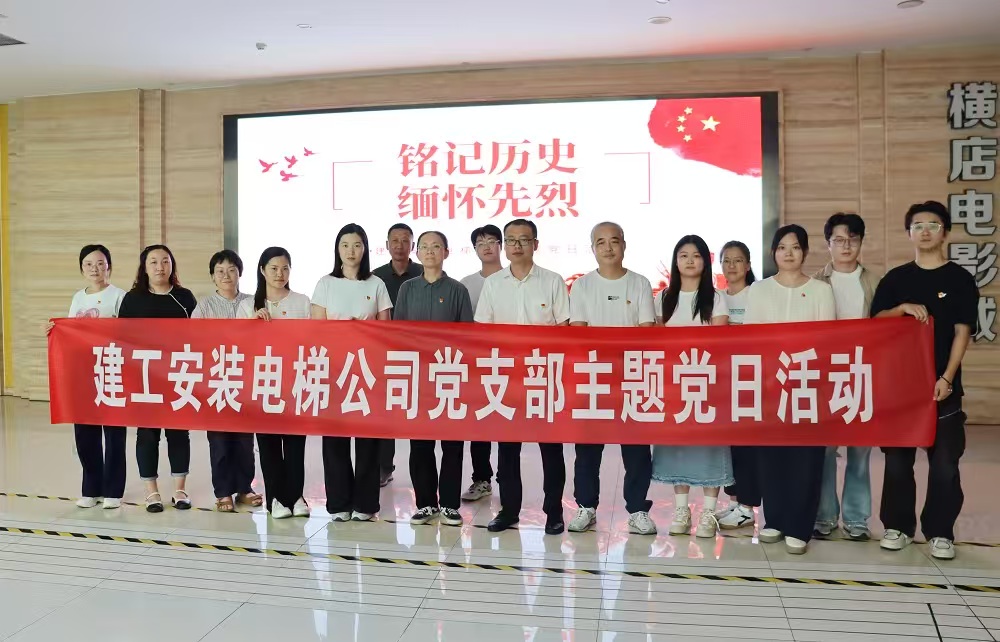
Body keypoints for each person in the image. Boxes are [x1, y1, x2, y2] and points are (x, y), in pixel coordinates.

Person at [872, 201, 979, 560]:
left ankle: (940, 532)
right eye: (918, 225)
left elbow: (963, 332)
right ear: (909, 233)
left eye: (933, 224)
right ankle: (898, 527)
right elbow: (876, 322)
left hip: (942, 388)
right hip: (900, 389)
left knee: (945, 464)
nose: (925, 231)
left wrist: (947, 377)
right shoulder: (896, 279)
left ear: (944, 231)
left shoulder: (959, 279)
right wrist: (900, 309)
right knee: (897, 463)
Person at [744, 224, 836, 554]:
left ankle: (800, 525)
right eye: (782, 247)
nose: (788, 253)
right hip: (770, 384)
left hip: (807, 384)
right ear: (773, 253)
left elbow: (827, 341)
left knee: (806, 458)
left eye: (795, 247)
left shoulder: (821, 291)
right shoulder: (759, 290)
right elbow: (751, 340)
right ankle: (775, 520)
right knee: (771, 456)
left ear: (805, 252)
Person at [475, 219, 570, 535]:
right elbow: (483, 331)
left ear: (535, 244)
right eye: (511, 240)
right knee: (507, 450)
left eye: (523, 240)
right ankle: (509, 510)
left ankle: (554, 512)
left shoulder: (552, 281)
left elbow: (564, 330)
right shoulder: (494, 284)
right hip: (506, 377)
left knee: (551, 450)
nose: (516, 246)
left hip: (544, 376)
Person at [568, 222, 657, 535]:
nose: (608, 248)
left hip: (632, 376)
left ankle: (637, 509)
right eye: (601, 242)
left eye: (614, 241)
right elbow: (578, 331)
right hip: (593, 375)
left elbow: (646, 331)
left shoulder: (639, 283)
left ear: (624, 245)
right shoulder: (582, 286)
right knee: (587, 450)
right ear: (593, 248)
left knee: (636, 450)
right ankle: (586, 507)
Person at [651, 235, 732, 539]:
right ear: (675, 261)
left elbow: (721, 343)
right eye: (683, 255)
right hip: (674, 385)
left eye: (696, 255)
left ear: (705, 262)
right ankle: (682, 510)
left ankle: (709, 512)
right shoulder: (663, 298)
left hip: (707, 382)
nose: (689, 261)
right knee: (679, 447)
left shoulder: (716, 297)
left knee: (710, 447)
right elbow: (656, 342)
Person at [312, 223, 392, 521]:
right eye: (345, 245)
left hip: (367, 371)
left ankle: (366, 504)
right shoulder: (325, 283)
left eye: (357, 245)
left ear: (365, 249)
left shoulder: (376, 284)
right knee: (335, 439)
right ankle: (339, 503)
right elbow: (317, 329)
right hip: (334, 370)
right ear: (337, 249)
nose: (351, 251)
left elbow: (385, 330)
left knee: (368, 439)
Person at [395, 231, 474, 527]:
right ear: (417, 253)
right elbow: (398, 333)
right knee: (420, 445)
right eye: (425, 247)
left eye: (436, 246)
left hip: (450, 375)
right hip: (418, 378)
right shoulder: (407, 289)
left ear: (446, 252)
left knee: (452, 444)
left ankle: (450, 504)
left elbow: (467, 336)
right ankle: (426, 503)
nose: (430, 251)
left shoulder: (457, 290)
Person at [812, 213, 882, 541]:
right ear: (828, 244)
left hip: (862, 372)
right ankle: (824, 515)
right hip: (825, 375)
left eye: (853, 239)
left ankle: (856, 519)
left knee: (860, 450)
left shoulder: (875, 282)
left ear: (861, 242)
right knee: (825, 451)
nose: (846, 246)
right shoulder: (815, 282)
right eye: (839, 240)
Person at [118, 244, 198, 513]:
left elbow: (200, 335)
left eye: (165, 261)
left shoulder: (184, 297)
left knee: (179, 432)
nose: (160, 267)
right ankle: (151, 491)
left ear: (172, 265)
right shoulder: (133, 299)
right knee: (147, 434)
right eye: (153, 262)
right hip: (145, 378)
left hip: (177, 375)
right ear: (144, 267)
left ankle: (180, 490)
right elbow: (121, 337)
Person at [47, 245, 128, 509]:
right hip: (83, 374)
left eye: (101, 263)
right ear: (82, 269)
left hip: (111, 371)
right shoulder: (78, 298)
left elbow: (130, 333)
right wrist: (54, 331)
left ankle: (113, 491)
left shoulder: (119, 296)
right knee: (85, 434)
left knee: (114, 434)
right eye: (89, 264)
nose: (95, 269)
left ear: (109, 266)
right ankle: (91, 488)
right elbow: (70, 333)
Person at [191, 250, 261, 513]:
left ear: (240, 273)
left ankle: (244, 488)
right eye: (220, 271)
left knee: (244, 440)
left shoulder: (253, 302)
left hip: (246, 380)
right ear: (212, 276)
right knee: (219, 440)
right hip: (216, 381)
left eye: (232, 270)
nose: (226, 275)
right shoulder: (204, 306)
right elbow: (193, 340)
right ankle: (222, 491)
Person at [246, 247, 314, 519]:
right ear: (262, 270)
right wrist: (251, 323)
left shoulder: (302, 302)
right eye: (274, 268)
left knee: (296, 444)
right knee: (269, 444)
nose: (280, 274)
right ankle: (275, 499)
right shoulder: (248, 305)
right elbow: (236, 343)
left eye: (285, 268)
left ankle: (296, 496)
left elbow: (313, 339)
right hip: (263, 383)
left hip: (295, 381)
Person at [372, 223, 423, 487]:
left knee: (420, 412)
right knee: (385, 412)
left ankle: (422, 475)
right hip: (385, 354)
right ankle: (383, 467)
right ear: (387, 245)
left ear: (413, 246)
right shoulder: (376, 277)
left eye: (405, 240)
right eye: (395, 240)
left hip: (420, 354)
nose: (400, 245)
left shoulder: (425, 272)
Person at [715, 240, 760, 530]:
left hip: (752, 379)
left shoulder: (758, 295)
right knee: (728, 445)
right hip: (724, 380)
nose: (732, 266)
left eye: (738, 260)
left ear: (748, 264)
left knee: (748, 446)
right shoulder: (717, 298)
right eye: (726, 260)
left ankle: (747, 506)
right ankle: (734, 502)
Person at [459, 224, 504, 502]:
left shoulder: (512, 279)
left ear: (501, 245)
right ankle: (482, 479)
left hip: (512, 362)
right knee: (480, 423)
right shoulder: (466, 284)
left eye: (492, 241)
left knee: (509, 423)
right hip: (478, 364)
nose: (486, 247)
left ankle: (509, 482)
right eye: (480, 243)